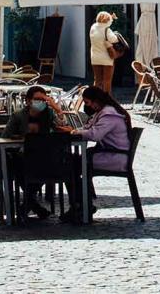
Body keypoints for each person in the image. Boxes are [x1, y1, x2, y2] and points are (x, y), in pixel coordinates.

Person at [58, 85, 132, 222]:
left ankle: (80, 205)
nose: (88, 106)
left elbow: (95, 134)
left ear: (95, 100)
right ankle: (81, 203)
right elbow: (88, 128)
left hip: (114, 157)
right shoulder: (102, 113)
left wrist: (75, 132)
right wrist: (74, 130)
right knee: (71, 163)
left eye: (87, 102)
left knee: (71, 165)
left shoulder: (109, 114)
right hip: (106, 153)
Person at [4, 86, 61, 220]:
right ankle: (33, 205)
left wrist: (57, 109)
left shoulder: (49, 114)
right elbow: (6, 135)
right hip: (24, 157)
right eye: (37, 99)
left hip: (45, 157)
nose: (40, 102)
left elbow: (62, 127)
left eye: (43, 99)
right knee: (17, 166)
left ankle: (29, 204)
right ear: (28, 101)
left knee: (40, 169)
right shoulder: (18, 116)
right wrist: (19, 138)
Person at [88, 11, 118, 93]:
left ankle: (95, 98)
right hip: (106, 58)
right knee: (107, 81)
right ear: (108, 20)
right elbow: (114, 39)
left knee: (97, 80)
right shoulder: (107, 30)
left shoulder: (93, 27)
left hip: (95, 58)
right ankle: (107, 99)